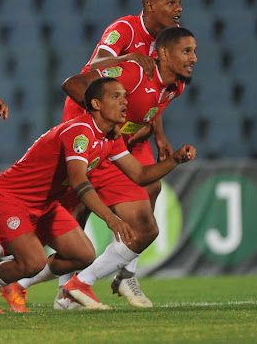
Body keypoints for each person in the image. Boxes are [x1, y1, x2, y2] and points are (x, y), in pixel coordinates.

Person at [0, 0, 184, 310]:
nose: (179, 8)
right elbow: (91, 69)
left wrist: (159, 132)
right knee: (58, 211)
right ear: (151, 6)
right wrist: (129, 60)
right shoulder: (125, 30)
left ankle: (119, 274)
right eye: (171, 3)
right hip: (95, 122)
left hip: (126, 128)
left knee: (148, 192)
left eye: (179, 2)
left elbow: (152, 94)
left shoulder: (165, 45)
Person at [0, 77, 196, 313]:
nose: (125, 102)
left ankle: (9, 284)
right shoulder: (81, 132)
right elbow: (78, 180)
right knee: (33, 262)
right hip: (9, 198)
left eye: (125, 96)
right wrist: (110, 218)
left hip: (45, 206)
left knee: (82, 255)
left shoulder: (110, 139)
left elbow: (141, 175)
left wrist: (176, 159)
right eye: (116, 97)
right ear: (96, 104)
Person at [57, 26, 197, 309]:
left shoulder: (175, 86)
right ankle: (62, 287)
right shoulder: (130, 51)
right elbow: (75, 82)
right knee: (68, 210)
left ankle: (114, 276)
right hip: (94, 142)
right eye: (187, 51)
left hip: (121, 146)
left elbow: (149, 106)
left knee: (148, 209)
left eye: (195, 51)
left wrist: (156, 134)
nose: (194, 58)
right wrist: (102, 125)